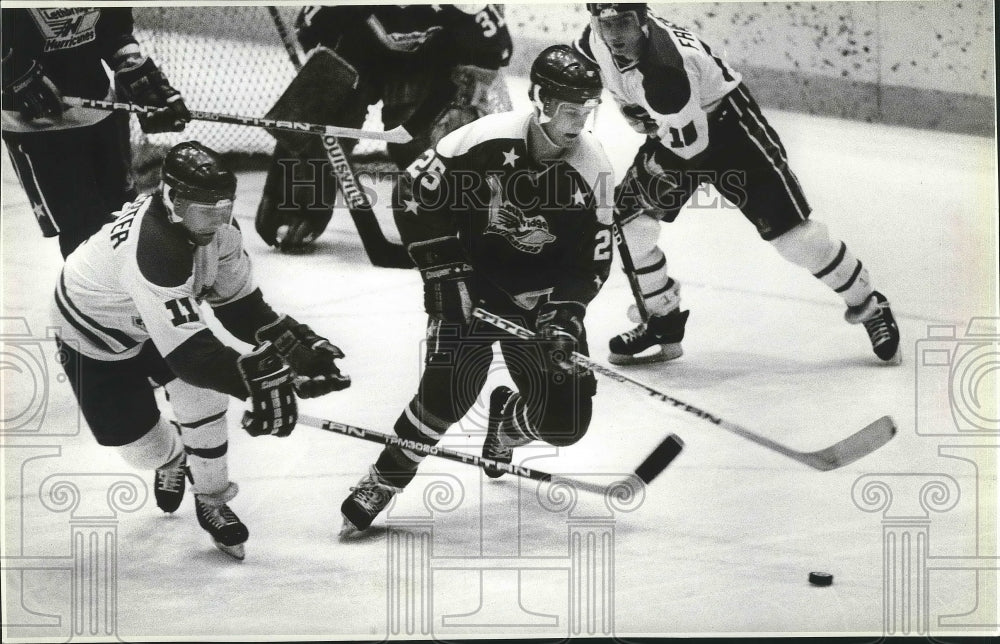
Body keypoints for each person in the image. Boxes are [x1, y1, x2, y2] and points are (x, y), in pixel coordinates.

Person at [340, 44, 614, 534]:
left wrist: (565, 316)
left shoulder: (594, 171)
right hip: (471, 281)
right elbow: (413, 196)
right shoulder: (482, 140)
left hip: (538, 298)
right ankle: (383, 478)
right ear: (541, 100)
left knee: (567, 420)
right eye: (570, 108)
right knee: (448, 393)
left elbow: (592, 260)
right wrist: (445, 276)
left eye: (588, 109)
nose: (579, 121)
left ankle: (508, 421)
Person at [51, 141, 350, 560]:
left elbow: (240, 306)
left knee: (203, 393)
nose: (212, 221)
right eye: (201, 210)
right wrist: (259, 385)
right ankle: (172, 459)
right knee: (141, 450)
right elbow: (192, 356)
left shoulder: (220, 234)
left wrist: (295, 349)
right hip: (95, 334)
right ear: (170, 198)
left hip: (152, 318)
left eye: (221, 208)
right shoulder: (154, 245)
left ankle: (212, 500)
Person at [575, 3, 901, 365]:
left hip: (732, 133)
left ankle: (870, 304)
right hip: (678, 131)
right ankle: (662, 319)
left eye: (624, 23)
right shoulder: (594, 40)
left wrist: (647, 167)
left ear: (643, 19)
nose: (615, 35)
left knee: (797, 239)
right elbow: (585, 74)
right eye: (607, 25)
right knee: (630, 228)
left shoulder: (666, 69)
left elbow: (691, 149)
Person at [255, 3, 513, 252]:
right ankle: (297, 206)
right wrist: (323, 92)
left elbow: (492, 54)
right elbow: (312, 33)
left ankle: (456, 213)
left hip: (428, 68)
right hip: (358, 59)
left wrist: (458, 95)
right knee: (324, 105)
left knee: (434, 137)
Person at [2, 7, 190, 258]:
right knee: (84, 233)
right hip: (35, 126)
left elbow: (113, 29)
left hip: (99, 112)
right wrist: (12, 72)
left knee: (125, 217)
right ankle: (90, 297)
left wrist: (133, 68)